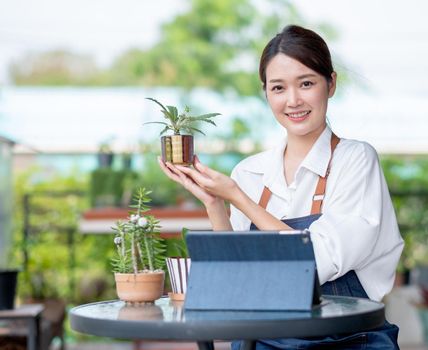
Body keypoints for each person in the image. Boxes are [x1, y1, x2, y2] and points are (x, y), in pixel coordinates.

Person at [158, 24, 404, 350]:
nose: (293, 101)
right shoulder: (249, 172)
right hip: (261, 341)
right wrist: (215, 204)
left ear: (330, 84)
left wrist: (238, 198)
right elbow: (234, 279)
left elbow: (316, 261)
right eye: (278, 88)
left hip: (350, 340)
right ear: (266, 94)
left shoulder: (355, 160)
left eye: (306, 83)